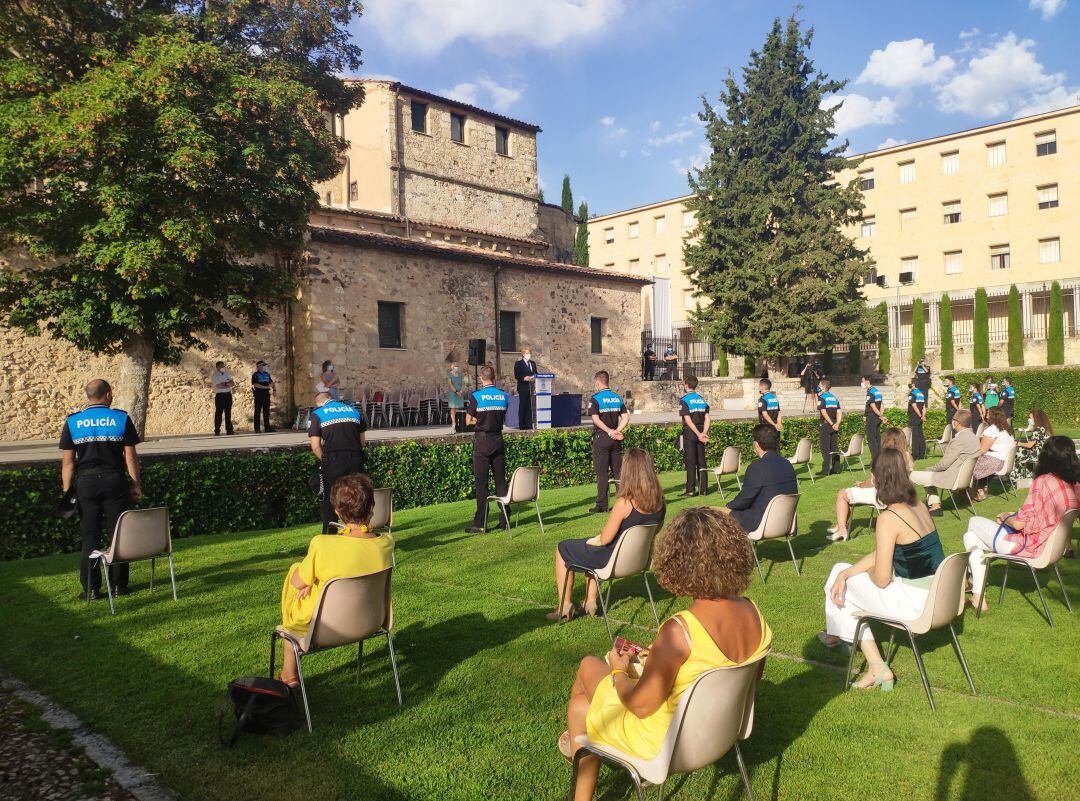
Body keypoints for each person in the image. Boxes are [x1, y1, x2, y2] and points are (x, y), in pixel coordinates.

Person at [559, 507, 772, 797]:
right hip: (719, 734)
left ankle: (577, 744)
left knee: (587, 665)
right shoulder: (753, 612)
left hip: (665, 744)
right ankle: (580, 741)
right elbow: (749, 678)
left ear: (678, 561)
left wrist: (619, 670)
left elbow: (640, 706)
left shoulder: (680, 631)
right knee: (579, 708)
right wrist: (658, 656)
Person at [820, 449, 945, 690]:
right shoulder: (918, 505)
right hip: (937, 594)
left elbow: (881, 579)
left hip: (915, 603)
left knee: (841, 586)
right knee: (840, 571)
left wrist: (858, 575)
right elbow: (886, 552)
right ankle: (841, 639)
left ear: (879, 479)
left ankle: (873, 663)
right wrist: (847, 573)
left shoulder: (889, 518)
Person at [278, 473, 394, 687]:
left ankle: (288, 675)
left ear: (338, 512)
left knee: (296, 573)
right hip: (371, 621)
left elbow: (296, 583)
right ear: (372, 507)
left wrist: (308, 582)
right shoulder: (386, 543)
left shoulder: (323, 545)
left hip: (323, 628)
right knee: (310, 579)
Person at [963, 436, 1080, 612]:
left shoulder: (1044, 481)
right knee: (971, 537)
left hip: (1029, 548)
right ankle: (977, 594)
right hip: (1052, 549)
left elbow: (1018, 525)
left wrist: (1005, 516)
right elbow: (1044, 517)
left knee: (973, 522)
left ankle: (974, 585)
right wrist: (1014, 516)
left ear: (1046, 456)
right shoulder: (1075, 485)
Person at [548, 449, 665, 621]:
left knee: (563, 547)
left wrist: (596, 539)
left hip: (612, 560)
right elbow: (656, 530)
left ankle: (564, 606)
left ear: (628, 471)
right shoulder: (660, 502)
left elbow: (605, 539)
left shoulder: (625, 503)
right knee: (591, 547)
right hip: (638, 561)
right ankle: (590, 601)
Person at [59, 379, 142, 600]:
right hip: (114, 480)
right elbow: (131, 457)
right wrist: (136, 484)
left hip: (86, 483)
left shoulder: (73, 421)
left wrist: (68, 491)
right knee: (118, 534)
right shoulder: (121, 418)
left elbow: (68, 462)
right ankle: (119, 586)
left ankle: (91, 589)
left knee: (90, 536)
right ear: (108, 394)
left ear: (88, 396)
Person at [827, 427, 912, 543]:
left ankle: (842, 529)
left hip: (882, 496)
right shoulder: (907, 456)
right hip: (902, 494)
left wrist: (861, 484)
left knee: (842, 494)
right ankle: (840, 525)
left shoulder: (883, 457)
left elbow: (873, 481)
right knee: (850, 495)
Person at [723, 424, 799, 533]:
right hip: (786, 522)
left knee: (715, 514)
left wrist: (728, 506)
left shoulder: (756, 467)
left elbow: (744, 500)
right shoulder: (787, 464)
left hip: (762, 523)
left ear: (756, 444)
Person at [308, 391, 366, 533]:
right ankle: (358, 532)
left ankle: (330, 533)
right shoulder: (354, 410)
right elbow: (362, 442)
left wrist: (325, 460)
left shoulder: (318, 413)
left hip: (333, 461)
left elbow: (315, 447)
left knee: (329, 500)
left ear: (319, 403)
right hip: (355, 459)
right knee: (356, 496)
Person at [910, 409, 982, 516]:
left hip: (951, 478)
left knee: (909, 475)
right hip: (966, 479)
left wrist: (930, 469)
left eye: (953, 419)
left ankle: (905, 507)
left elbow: (944, 464)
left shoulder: (959, 440)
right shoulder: (975, 438)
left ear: (956, 422)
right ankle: (935, 506)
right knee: (927, 476)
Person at [465, 365, 509, 533]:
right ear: (494, 377)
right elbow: (502, 415)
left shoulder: (476, 396)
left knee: (482, 483)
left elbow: (468, 421)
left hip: (482, 442)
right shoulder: (503, 395)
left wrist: (479, 421)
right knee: (501, 482)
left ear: (481, 378)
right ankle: (505, 519)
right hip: (498, 440)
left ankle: (480, 523)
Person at [588, 371, 629, 513]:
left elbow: (596, 419)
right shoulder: (617, 397)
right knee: (618, 473)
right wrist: (617, 430)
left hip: (602, 438)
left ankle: (602, 505)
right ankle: (622, 503)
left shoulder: (595, 399)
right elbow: (625, 417)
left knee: (602, 473)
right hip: (616, 440)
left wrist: (610, 432)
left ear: (598, 383)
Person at [971, 409, 1016, 500]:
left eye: (988, 414)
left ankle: (972, 492)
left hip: (994, 462)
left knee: (967, 466)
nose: (986, 416)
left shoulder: (992, 430)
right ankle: (981, 488)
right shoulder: (1007, 429)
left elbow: (982, 450)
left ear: (994, 416)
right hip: (1004, 461)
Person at [678, 375, 710, 497]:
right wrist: (703, 433)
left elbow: (688, 420)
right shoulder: (701, 400)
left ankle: (690, 490)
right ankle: (703, 489)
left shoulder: (684, 400)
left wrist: (697, 434)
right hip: (701, 431)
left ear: (686, 385)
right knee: (702, 461)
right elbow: (707, 418)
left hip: (691, 432)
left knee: (690, 461)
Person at [1012, 409, 1053, 484]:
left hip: (1038, 454)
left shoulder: (1038, 429)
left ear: (1036, 418)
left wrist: (1018, 443)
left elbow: (1030, 445)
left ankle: (1016, 478)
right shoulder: (1044, 428)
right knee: (1021, 454)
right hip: (1045, 453)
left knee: (1016, 454)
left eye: (1031, 418)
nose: (1029, 420)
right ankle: (1027, 476)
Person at [817, 379, 843, 476]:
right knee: (834, 447)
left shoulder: (822, 397)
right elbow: (839, 412)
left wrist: (831, 424)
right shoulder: (834, 398)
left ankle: (825, 470)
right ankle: (836, 469)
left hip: (826, 424)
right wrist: (837, 423)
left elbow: (823, 413)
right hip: (835, 424)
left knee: (825, 448)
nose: (818, 387)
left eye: (820, 385)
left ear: (823, 387)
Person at [513, 346, 538, 430]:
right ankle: (522, 425)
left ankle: (529, 424)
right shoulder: (518, 364)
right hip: (523, 387)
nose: (529, 355)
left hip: (531, 387)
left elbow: (536, 373)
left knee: (530, 406)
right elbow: (517, 375)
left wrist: (534, 377)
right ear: (523, 354)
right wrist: (524, 378)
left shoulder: (533, 363)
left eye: (530, 353)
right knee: (523, 405)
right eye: (527, 353)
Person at [862, 375, 884, 460]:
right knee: (877, 437)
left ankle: (875, 459)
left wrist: (880, 416)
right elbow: (882, 405)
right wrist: (881, 415)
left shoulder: (870, 393)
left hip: (871, 417)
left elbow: (873, 406)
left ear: (867, 382)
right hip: (877, 417)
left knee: (871, 439)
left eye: (863, 381)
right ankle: (879, 458)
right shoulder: (877, 391)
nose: (862, 383)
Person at [251, 360, 275, 433]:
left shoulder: (267, 374)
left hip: (266, 394)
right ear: (258, 367)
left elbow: (272, 383)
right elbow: (256, 385)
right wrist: (267, 387)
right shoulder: (255, 375)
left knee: (266, 411)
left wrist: (274, 390)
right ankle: (257, 429)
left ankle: (267, 428)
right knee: (257, 411)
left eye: (265, 365)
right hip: (258, 394)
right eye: (263, 365)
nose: (265, 366)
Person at [211, 361, 235, 436]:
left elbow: (233, 383)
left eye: (223, 366)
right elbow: (219, 386)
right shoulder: (215, 376)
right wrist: (227, 384)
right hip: (220, 396)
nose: (223, 367)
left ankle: (229, 430)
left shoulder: (227, 374)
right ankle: (217, 430)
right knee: (219, 413)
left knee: (228, 413)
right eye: (221, 366)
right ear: (217, 367)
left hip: (228, 395)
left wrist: (224, 384)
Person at [907, 378, 926, 460]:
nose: (908, 383)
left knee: (915, 436)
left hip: (914, 416)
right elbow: (924, 407)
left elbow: (914, 406)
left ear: (913, 384)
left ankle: (915, 454)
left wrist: (919, 415)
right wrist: (923, 416)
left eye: (909, 382)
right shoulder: (921, 394)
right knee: (920, 435)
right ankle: (922, 453)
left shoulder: (912, 394)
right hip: (920, 417)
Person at [446, 362, 466, 432]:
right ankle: (453, 422)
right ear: (452, 367)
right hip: (453, 393)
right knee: (453, 408)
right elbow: (450, 385)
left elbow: (463, 384)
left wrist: (461, 391)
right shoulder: (449, 375)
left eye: (457, 366)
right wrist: (456, 392)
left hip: (460, 392)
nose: (457, 368)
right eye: (455, 366)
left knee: (459, 408)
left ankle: (459, 422)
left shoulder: (460, 375)